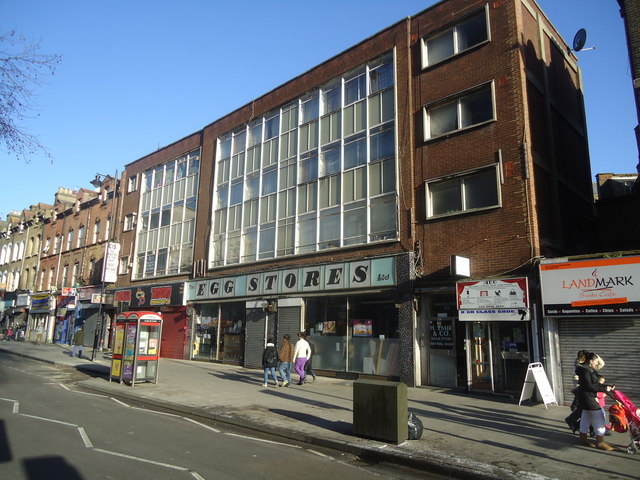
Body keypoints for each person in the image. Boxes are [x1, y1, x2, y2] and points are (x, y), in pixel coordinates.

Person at [575, 352, 615, 450]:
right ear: (591, 361)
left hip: (585, 396)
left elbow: (594, 383)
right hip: (588, 397)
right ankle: (600, 442)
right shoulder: (585, 371)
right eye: (596, 362)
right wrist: (604, 388)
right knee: (599, 417)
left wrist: (607, 386)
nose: (597, 364)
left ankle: (583, 439)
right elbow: (589, 386)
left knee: (586, 416)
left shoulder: (587, 369)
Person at [565, 349, 589, 433]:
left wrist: (596, 356)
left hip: (584, 384)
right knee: (581, 402)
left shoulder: (587, 363)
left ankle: (573, 419)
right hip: (579, 383)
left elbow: (601, 364)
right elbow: (583, 369)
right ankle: (574, 409)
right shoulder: (578, 363)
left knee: (583, 405)